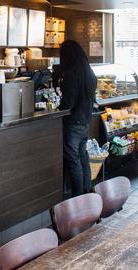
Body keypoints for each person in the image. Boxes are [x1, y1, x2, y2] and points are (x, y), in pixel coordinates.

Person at [59, 40, 97, 197]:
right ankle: (87, 190)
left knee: (73, 160)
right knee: (83, 157)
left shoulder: (71, 74)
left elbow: (68, 103)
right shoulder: (89, 72)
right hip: (85, 120)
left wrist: (58, 108)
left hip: (73, 122)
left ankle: (78, 195)